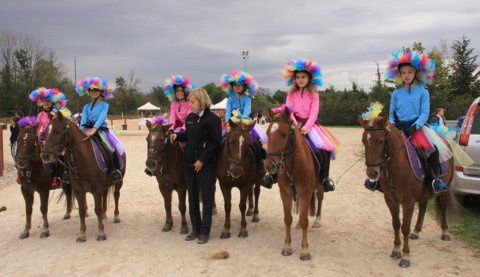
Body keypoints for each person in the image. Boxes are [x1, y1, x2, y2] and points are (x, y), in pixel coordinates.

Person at [386, 50, 452, 193]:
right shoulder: (396, 93)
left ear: (416, 73)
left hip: (418, 128)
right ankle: (378, 181)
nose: (406, 75)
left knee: (432, 150)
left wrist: (415, 127)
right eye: (403, 72)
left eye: (410, 72)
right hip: (398, 127)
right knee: (383, 148)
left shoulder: (423, 92)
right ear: (399, 75)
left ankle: (435, 180)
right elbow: (391, 113)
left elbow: (424, 113)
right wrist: (393, 124)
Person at [269, 58, 339, 191]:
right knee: (276, 144)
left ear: (309, 78)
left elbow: (314, 113)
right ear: (294, 79)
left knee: (325, 148)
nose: (300, 79)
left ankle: (325, 179)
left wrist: (306, 128)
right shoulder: (291, 93)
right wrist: (295, 126)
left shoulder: (314, 95)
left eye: (303, 77)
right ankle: (273, 176)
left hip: (310, 125)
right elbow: (289, 111)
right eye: (298, 77)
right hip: (292, 123)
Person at [170, 88, 221, 244]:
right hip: (188, 163)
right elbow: (189, 136)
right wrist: (177, 135)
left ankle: (205, 232)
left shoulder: (212, 119)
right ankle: (195, 229)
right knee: (191, 197)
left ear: (202, 101)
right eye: (189, 101)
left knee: (205, 197)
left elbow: (215, 142)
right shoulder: (190, 117)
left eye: (192, 102)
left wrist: (202, 160)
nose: (190, 104)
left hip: (205, 165)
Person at [219, 70, 268, 186]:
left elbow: (246, 113)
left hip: (245, 124)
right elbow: (228, 112)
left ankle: (260, 165)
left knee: (259, 140)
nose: (236, 86)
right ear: (231, 86)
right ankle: (216, 165)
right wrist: (228, 123)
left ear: (244, 86)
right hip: (232, 124)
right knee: (218, 140)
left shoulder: (247, 99)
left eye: (239, 84)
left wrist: (241, 118)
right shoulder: (230, 99)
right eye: (234, 84)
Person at [75, 77, 125, 183]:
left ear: (100, 92)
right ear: (89, 91)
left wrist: (94, 129)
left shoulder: (104, 105)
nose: (94, 92)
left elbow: (101, 118)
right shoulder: (86, 107)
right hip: (87, 130)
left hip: (101, 131)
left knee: (111, 148)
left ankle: (116, 171)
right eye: (92, 90)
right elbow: (83, 120)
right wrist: (80, 131)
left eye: (96, 90)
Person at [29, 87, 70, 188]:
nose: (46, 103)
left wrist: (56, 114)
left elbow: (66, 118)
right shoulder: (40, 115)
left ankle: (63, 175)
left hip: (54, 139)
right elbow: (38, 128)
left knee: (63, 154)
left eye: (48, 101)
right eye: (44, 101)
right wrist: (40, 135)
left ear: (53, 102)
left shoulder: (58, 112)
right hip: (42, 140)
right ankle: (27, 174)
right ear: (41, 102)